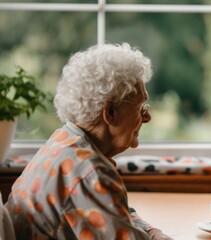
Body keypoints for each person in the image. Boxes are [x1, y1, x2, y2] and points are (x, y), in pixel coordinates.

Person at [5, 43, 173, 240]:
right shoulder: (90, 173)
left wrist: (153, 233)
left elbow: (121, 215)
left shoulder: (63, 141)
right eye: (140, 107)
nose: (147, 117)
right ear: (110, 113)